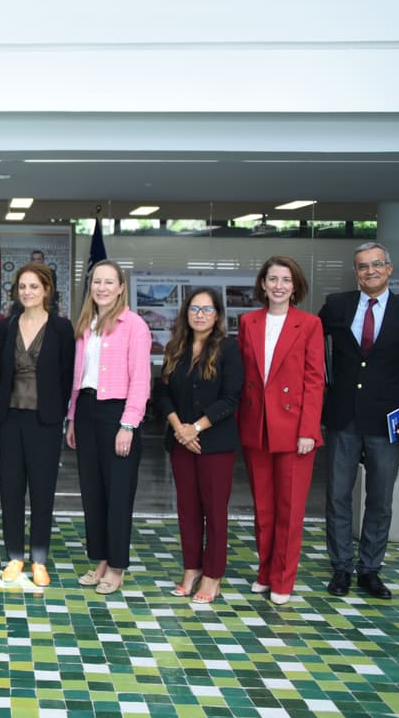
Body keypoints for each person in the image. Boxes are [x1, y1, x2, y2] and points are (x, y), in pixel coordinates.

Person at [319, 242, 399, 600]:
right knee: (337, 496)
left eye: (376, 264)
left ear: (389, 268)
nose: (370, 271)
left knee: (380, 498)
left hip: (388, 421)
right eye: (363, 266)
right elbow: (308, 341)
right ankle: (341, 568)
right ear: (356, 273)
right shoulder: (336, 305)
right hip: (342, 416)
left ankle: (370, 570)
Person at [236, 256, 324, 606]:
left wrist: (308, 430)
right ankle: (265, 572)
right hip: (257, 426)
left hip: (294, 429)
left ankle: (284, 580)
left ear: (295, 285)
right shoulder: (248, 321)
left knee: (290, 510)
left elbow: (315, 381)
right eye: (272, 279)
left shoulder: (310, 324)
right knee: (264, 507)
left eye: (285, 280)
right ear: (262, 284)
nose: (278, 286)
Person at [64, 259, 151, 595]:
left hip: (118, 414)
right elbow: (78, 377)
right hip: (86, 411)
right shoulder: (87, 323)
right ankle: (99, 558)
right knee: (93, 493)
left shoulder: (134, 325)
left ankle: (117, 566)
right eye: (96, 282)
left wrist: (128, 425)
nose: (101, 287)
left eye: (108, 282)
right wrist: (72, 417)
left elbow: (141, 381)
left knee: (117, 494)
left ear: (121, 287)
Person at [154, 287, 242, 604]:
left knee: (214, 512)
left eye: (206, 309)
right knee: (187, 510)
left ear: (217, 315)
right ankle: (191, 569)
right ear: (186, 313)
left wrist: (196, 428)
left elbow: (232, 398)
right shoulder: (175, 347)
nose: (200, 315)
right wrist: (180, 428)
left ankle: (212, 575)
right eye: (194, 308)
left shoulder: (229, 348)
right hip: (180, 442)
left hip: (215, 444)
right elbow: (162, 393)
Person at [0, 262, 74, 587]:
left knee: (42, 491)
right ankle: (15, 556)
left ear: (47, 290)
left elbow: (67, 376)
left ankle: (39, 558)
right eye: (22, 286)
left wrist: (61, 414)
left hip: (45, 421)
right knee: (11, 490)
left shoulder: (61, 328)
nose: (27, 292)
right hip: (10, 419)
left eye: (34, 287)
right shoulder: (8, 324)